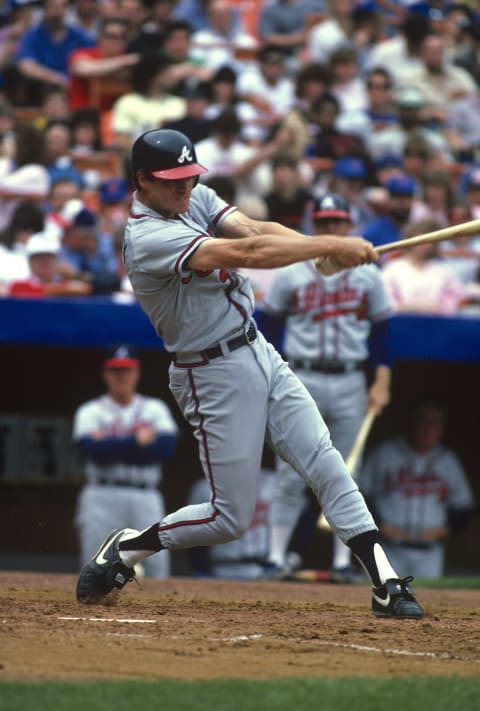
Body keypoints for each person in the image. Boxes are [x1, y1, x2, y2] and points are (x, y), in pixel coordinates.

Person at [75, 127, 424, 620]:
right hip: (210, 372)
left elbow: (256, 231)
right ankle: (130, 549)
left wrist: (319, 250)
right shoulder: (147, 236)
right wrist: (330, 244)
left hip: (257, 347)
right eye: (173, 180)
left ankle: (385, 580)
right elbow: (247, 255)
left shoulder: (192, 200)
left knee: (325, 460)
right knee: (229, 517)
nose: (185, 187)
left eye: (189, 177)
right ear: (142, 181)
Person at [263, 193, 393, 583]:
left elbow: (383, 333)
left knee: (345, 471)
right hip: (302, 375)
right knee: (288, 471)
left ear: (348, 226)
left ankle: (342, 563)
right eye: (323, 223)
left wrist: (381, 381)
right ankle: (274, 559)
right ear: (313, 226)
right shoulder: (292, 270)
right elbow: (267, 327)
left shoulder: (369, 273)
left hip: (351, 377)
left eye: (337, 223)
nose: (330, 229)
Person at [73, 344, 179, 578]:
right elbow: (91, 451)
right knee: (94, 565)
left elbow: (165, 449)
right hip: (102, 494)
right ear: (106, 374)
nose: (121, 376)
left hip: (145, 495)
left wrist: (112, 444)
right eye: (115, 370)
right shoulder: (90, 411)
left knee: (156, 567)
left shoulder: (154, 408)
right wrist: (137, 442)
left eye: (127, 370)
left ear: (137, 373)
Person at [358, 400, 476, 579]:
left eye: (434, 422)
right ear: (412, 423)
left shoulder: (448, 461)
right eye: (423, 421)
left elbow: (465, 508)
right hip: (388, 548)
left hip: (430, 553)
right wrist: (379, 524)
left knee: (431, 604)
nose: (428, 428)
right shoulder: (385, 453)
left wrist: (446, 529)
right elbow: (360, 495)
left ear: (442, 429)